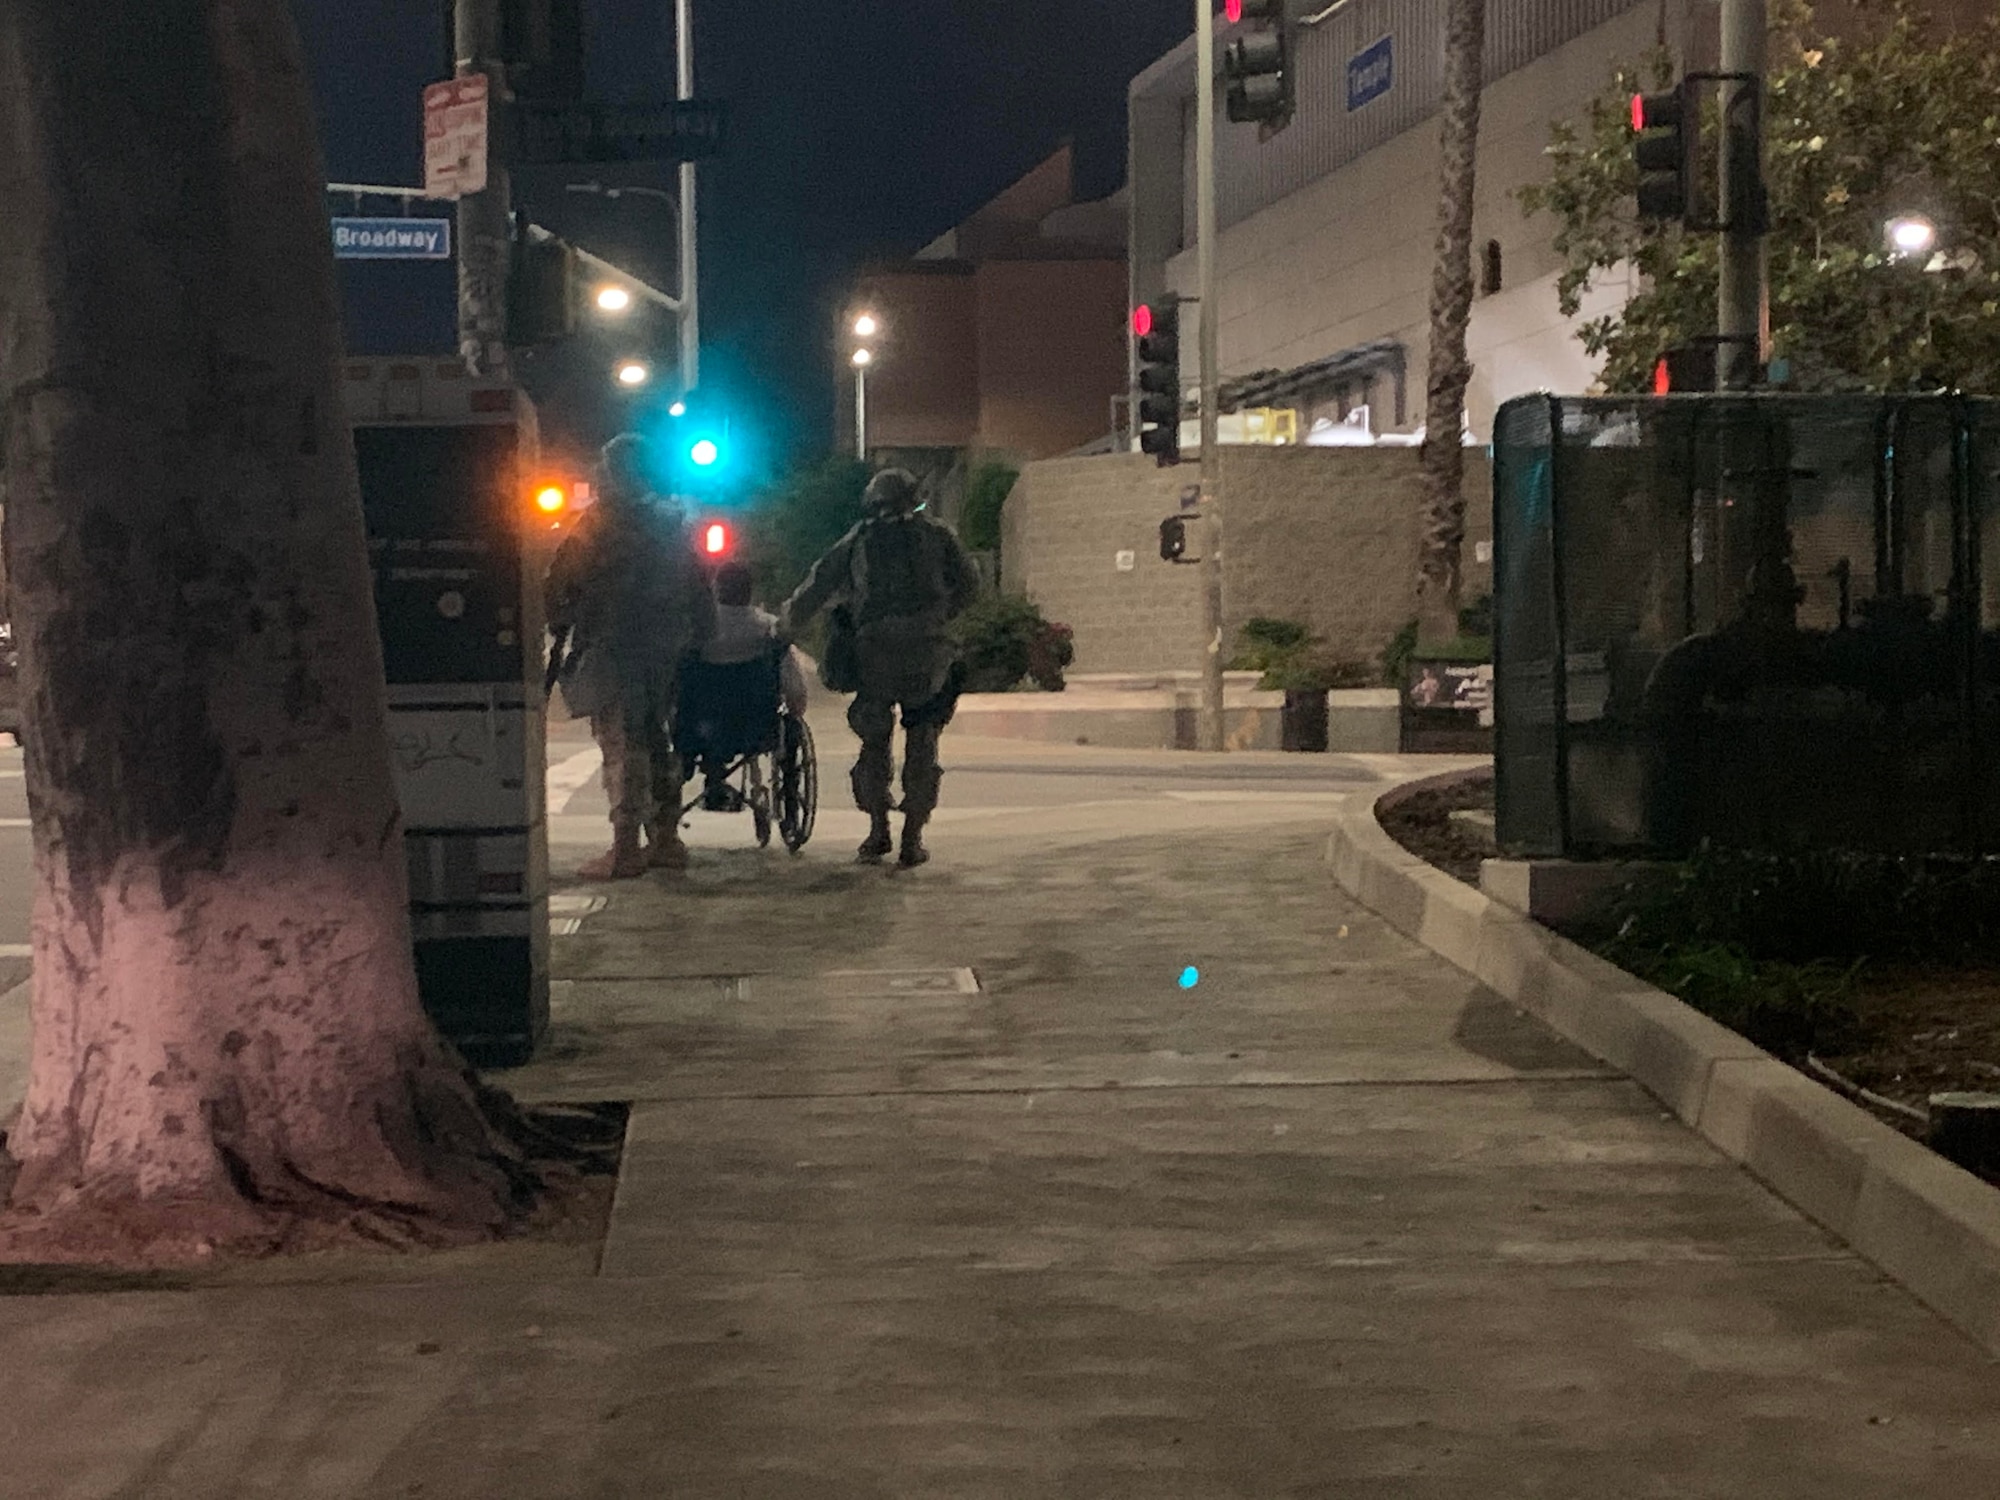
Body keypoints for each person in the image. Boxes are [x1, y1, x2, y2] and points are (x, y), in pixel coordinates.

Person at [781, 468, 979, 867]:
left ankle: (878, 831)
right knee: (923, 741)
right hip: (928, 654)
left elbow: (818, 584)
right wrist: (939, 619)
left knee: (874, 741)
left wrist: (784, 625)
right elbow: (970, 586)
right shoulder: (939, 535)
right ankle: (912, 838)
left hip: (874, 654)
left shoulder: (860, 539)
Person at [545, 433, 715, 880]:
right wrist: (703, 637)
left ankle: (624, 847)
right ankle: (666, 838)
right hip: (665, 645)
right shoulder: (673, 521)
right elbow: (698, 584)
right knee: (658, 739)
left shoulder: (596, 524)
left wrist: (558, 618)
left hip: (614, 642)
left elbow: (561, 581)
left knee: (623, 742)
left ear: (615, 470)